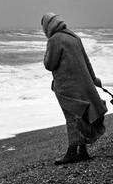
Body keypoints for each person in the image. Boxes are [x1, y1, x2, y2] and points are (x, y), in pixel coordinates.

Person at [42, 13, 107, 165]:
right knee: (81, 116)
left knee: (71, 118)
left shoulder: (55, 39)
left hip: (67, 87)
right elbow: (86, 60)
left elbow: (49, 64)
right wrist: (93, 78)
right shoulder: (74, 37)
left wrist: (45, 54)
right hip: (83, 84)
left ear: (48, 26)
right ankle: (83, 151)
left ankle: (72, 153)